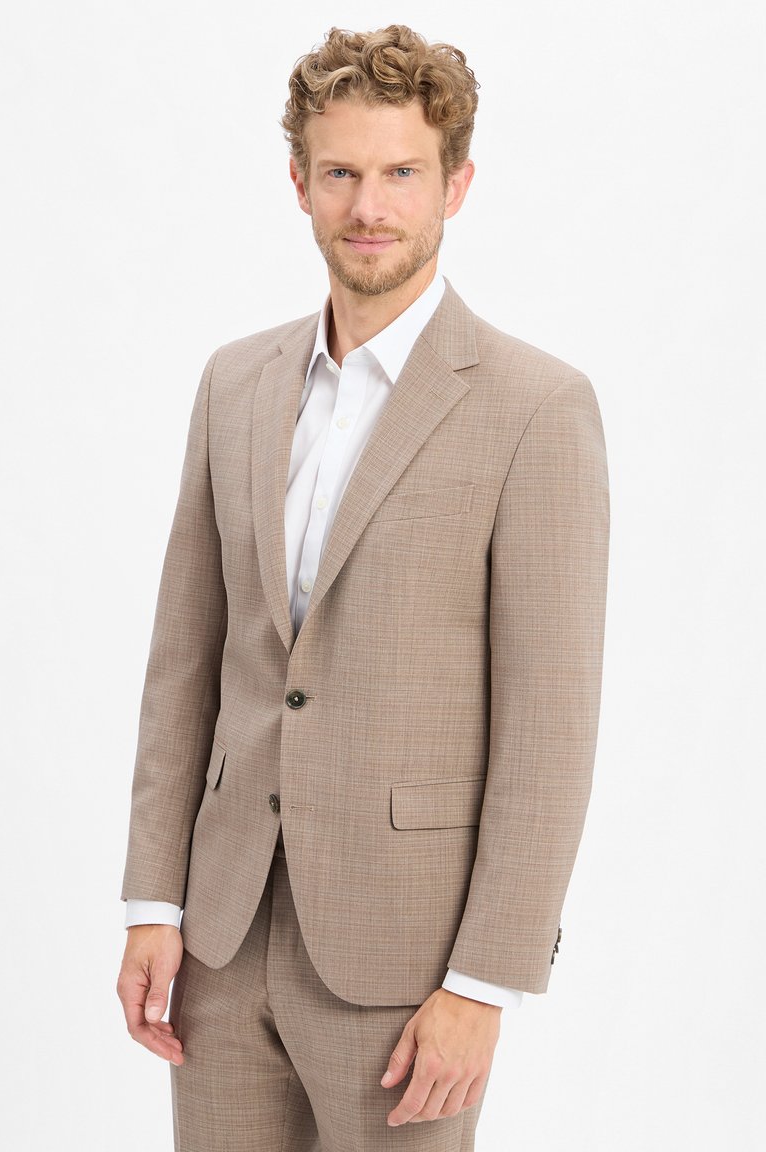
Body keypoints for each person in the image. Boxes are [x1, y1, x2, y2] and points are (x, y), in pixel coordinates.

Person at [117, 23, 610, 1152]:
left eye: (402, 173)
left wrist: (483, 981)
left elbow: (549, 727)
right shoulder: (233, 383)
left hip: (407, 965)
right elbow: (183, 661)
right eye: (340, 172)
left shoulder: (535, 408)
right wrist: (154, 901)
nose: (369, 207)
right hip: (219, 945)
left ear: (457, 186)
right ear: (298, 182)